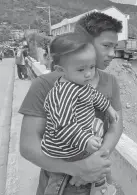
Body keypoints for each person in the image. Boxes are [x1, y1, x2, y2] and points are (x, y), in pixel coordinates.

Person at [19, 12, 123, 195]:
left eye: (115, 47)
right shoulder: (46, 85)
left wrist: (94, 163)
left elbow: (117, 125)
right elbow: (28, 146)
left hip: (96, 179)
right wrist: (76, 168)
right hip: (57, 183)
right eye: (106, 46)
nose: (112, 54)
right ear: (84, 43)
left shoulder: (111, 82)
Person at [42, 32, 119, 195]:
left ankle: (100, 186)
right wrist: (85, 140)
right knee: (63, 185)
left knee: (97, 168)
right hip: (65, 152)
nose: (88, 74)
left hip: (80, 145)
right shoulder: (61, 93)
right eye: (81, 69)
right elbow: (63, 126)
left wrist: (108, 108)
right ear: (60, 70)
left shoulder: (79, 83)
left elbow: (95, 95)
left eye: (91, 67)